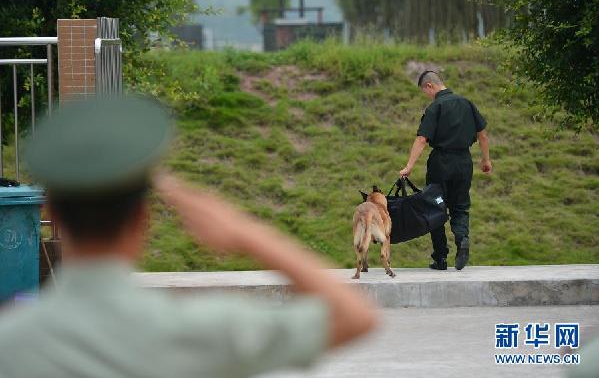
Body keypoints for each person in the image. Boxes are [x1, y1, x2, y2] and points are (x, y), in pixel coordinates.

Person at [0, 96, 377, 378]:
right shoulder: (201, 329)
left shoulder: (12, 341)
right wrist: (245, 231)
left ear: (51, 214)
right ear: (142, 220)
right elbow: (355, 315)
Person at [399, 71, 492, 271]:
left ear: (429, 86)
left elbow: (422, 139)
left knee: (435, 207)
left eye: (425, 92)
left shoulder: (436, 107)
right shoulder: (467, 103)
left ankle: (440, 258)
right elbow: (482, 135)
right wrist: (486, 160)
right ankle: (462, 240)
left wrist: (409, 166)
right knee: (460, 205)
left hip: (441, 163)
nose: (427, 96)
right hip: (464, 162)